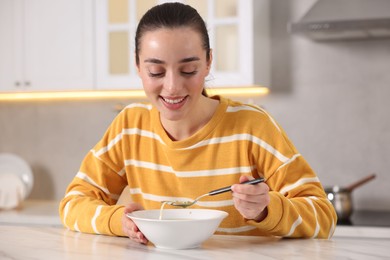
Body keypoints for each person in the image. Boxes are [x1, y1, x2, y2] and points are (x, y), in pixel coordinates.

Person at [59, 2, 337, 244]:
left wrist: (267, 209)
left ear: (208, 62)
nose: (172, 87)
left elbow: (324, 217)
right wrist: (118, 220)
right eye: (155, 71)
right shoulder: (130, 127)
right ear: (137, 66)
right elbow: (73, 204)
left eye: (188, 70)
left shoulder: (253, 126)